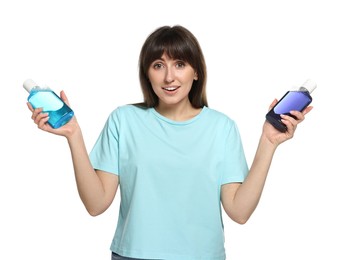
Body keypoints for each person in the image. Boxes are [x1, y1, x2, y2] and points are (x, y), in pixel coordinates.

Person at [27, 25, 313, 260]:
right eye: (158, 65)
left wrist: (268, 142)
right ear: (146, 73)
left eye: (180, 64)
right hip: (133, 256)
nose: (169, 76)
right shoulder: (124, 120)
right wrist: (74, 136)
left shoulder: (221, 127)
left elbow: (239, 212)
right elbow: (96, 204)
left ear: (196, 71)